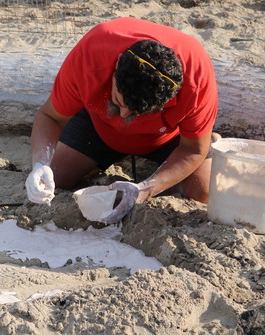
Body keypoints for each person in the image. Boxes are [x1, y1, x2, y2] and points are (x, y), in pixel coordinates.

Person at [26, 17, 218, 224]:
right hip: (99, 123)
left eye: (138, 111)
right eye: (118, 101)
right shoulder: (93, 53)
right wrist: (40, 163)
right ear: (116, 66)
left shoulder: (196, 79)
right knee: (54, 179)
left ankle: (206, 135)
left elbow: (192, 150)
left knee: (201, 191)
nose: (124, 116)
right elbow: (49, 117)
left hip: (167, 137)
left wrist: (146, 189)